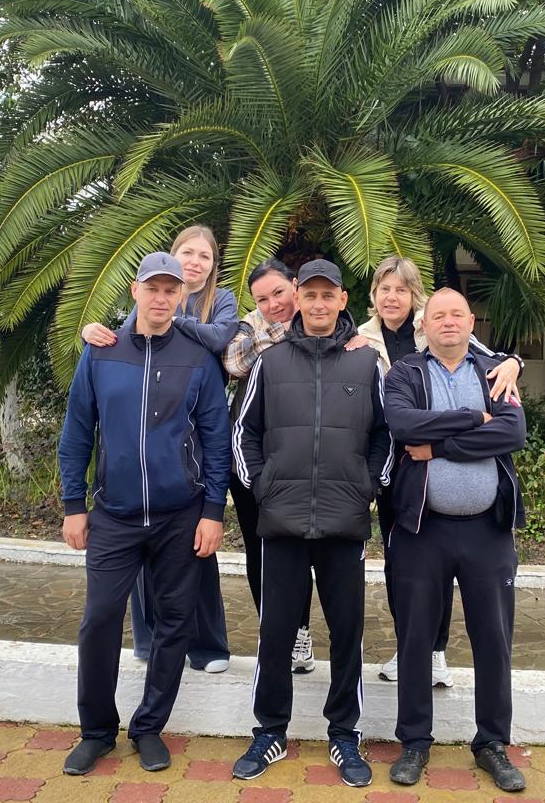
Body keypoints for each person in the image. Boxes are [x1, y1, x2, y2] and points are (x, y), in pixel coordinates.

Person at [58, 252, 231, 776]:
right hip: (114, 514)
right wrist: (73, 505)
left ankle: (149, 727)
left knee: (174, 623)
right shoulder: (101, 352)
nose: (161, 298)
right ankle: (96, 732)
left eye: (170, 290)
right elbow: (77, 432)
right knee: (100, 619)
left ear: (181, 296)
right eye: (152, 288)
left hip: (181, 515)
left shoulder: (198, 357)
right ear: (135, 291)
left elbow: (216, 440)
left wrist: (213, 511)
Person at [230, 259, 391, 787]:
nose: (319, 304)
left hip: (345, 523)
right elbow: (243, 433)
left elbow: (386, 435)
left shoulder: (366, 363)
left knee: (347, 634)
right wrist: (262, 486)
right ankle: (269, 731)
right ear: (297, 299)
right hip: (282, 522)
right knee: (276, 633)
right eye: (311, 295)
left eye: (329, 295)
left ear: (343, 300)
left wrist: (368, 485)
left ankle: (344, 734)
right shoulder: (269, 362)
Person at [381, 287, 528, 793]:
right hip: (422, 528)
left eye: (457, 314)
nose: (448, 321)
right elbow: (403, 425)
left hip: (488, 530)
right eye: (438, 315)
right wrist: (471, 419)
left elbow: (511, 433)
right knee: (415, 638)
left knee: (494, 639)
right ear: (423, 326)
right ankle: (414, 742)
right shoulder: (405, 374)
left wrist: (438, 446)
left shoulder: (495, 373)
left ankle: (492, 744)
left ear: (470, 323)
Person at [357, 256, 523, 686]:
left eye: (401, 289)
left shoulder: (434, 326)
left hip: (427, 459)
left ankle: (435, 651)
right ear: (374, 295)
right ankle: (410, 645)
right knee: (404, 569)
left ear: (415, 298)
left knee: (442, 564)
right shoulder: (359, 340)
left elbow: (492, 360)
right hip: (394, 465)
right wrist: (474, 418)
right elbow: (397, 418)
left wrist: (516, 361)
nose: (392, 297)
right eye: (384, 289)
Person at [82, 225, 238, 673]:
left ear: (212, 265)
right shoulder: (151, 295)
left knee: (196, 556)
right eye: (188, 252)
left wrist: (172, 323)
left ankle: (208, 645)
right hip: (140, 452)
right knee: (142, 557)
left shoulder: (221, 301)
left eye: (204, 256)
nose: (195, 262)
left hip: (192, 432)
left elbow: (219, 339)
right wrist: (90, 330)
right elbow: (120, 343)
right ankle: (147, 640)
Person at [222, 258, 316, 673]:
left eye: (279, 292)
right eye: (262, 299)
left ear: (295, 285)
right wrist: (286, 332)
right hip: (250, 458)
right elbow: (234, 362)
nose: (273, 304)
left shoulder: (324, 318)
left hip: (301, 458)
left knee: (298, 551)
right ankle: (273, 630)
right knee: (258, 549)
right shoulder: (248, 326)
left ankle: (300, 631)